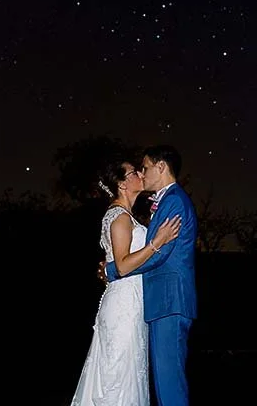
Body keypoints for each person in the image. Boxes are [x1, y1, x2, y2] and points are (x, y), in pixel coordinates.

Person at [71, 157, 182, 406]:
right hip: (124, 307)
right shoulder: (119, 217)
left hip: (131, 303)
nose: (141, 174)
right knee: (119, 375)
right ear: (122, 184)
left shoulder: (126, 216)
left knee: (131, 372)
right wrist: (158, 241)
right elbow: (122, 265)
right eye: (134, 172)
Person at [101, 145, 198, 406]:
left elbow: (160, 253)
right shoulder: (165, 201)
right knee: (163, 382)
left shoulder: (174, 200)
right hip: (159, 302)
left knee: (169, 383)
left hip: (169, 301)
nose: (142, 174)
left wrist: (112, 270)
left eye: (145, 167)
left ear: (161, 167)